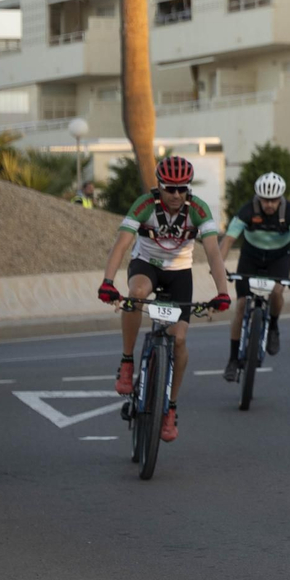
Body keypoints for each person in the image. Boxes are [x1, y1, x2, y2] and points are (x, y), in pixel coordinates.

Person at [97, 156, 232, 443]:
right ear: (159, 187)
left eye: (182, 188)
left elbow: (213, 254)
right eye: (170, 188)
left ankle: (170, 407)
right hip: (146, 266)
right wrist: (108, 282)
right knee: (135, 295)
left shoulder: (198, 210)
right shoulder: (145, 205)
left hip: (180, 273)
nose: (176, 195)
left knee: (179, 339)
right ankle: (127, 361)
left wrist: (223, 292)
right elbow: (120, 245)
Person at [219, 172, 290, 378]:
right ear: (258, 198)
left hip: (278, 259)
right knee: (242, 305)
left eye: (273, 200)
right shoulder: (247, 210)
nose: (269, 204)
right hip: (250, 258)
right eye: (265, 200)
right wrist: (218, 266)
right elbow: (228, 240)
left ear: (280, 198)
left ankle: (273, 328)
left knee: (277, 292)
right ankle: (233, 360)